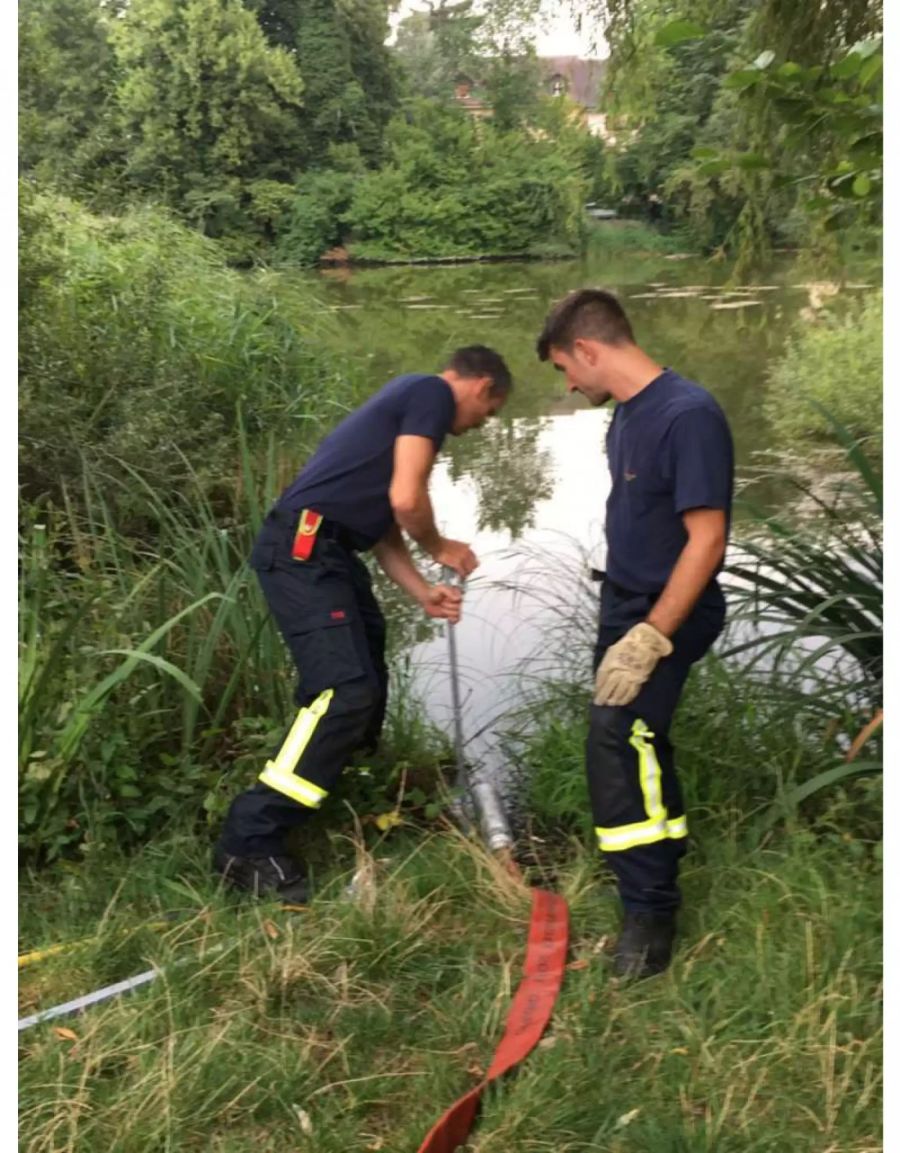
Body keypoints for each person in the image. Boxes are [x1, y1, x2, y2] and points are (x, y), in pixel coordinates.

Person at [215, 346, 513, 904]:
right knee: (344, 690)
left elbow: (382, 526)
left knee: (366, 683)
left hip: (329, 551)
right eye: (488, 413)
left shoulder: (404, 403)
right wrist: (441, 544)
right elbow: (406, 500)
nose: (478, 426)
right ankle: (249, 840)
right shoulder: (429, 392)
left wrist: (424, 591)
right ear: (481, 387)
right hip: (303, 549)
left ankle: (331, 800)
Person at [536, 289, 733, 978]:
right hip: (625, 603)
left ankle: (649, 915)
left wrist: (650, 636)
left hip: (667, 612)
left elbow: (707, 541)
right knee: (634, 738)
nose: (569, 384)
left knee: (619, 737)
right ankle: (660, 853)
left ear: (589, 349)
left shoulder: (688, 416)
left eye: (566, 368)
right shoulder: (627, 416)